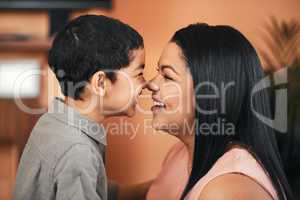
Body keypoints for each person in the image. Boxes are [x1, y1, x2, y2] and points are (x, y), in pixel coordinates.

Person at [146, 23, 294, 200]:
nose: (151, 84)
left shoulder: (224, 191)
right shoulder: (179, 153)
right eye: (158, 72)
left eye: (168, 76)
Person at [13, 15, 151, 200]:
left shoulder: (53, 122)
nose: (145, 84)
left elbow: (94, 187)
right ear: (101, 82)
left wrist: (153, 188)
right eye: (139, 74)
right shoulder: (77, 151)